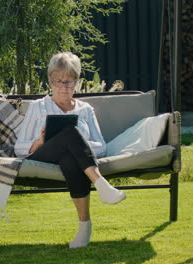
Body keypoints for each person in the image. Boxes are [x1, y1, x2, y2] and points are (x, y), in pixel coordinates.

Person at [14, 52, 126, 248]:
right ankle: (101, 184)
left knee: (70, 157)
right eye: (59, 81)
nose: (64, 87)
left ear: (76, 82)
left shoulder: (85, 110)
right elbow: (19, 148)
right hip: (43, 156)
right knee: (69, 131)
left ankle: (84, 228)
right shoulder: (37, 107)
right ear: (50, 80)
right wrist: (39, 141)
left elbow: (102, 146)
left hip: (72, 161)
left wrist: (78, 146)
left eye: (69, 82)